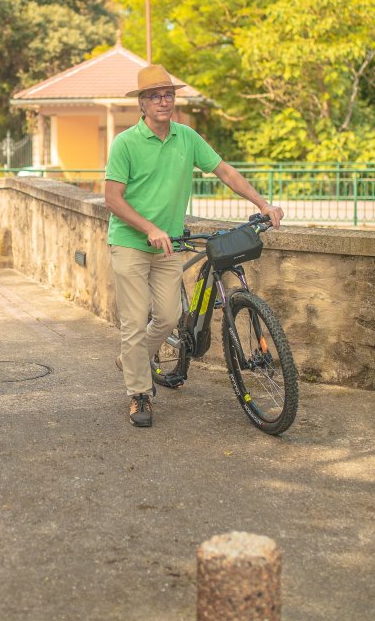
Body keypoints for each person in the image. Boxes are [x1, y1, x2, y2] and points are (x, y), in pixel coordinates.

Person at [103, 64, 284, 427]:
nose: (163, 101)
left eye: (168, 95)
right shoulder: (125, 143)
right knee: (135, 322)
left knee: (169, 318)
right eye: (154, 96)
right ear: (141, 103)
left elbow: (225, 172)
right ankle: (139, 394)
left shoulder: (187, 138)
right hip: (130, 243)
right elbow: (112, 199)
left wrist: (262, 204)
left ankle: (133, 358)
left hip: (169, 245)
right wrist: (150, 227)